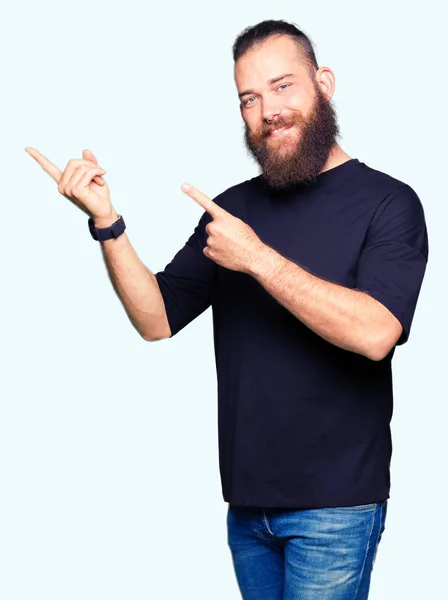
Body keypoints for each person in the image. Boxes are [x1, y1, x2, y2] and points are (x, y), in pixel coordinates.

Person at [25, 18, 429, 600]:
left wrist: (259, 259)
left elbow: (375, 333)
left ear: (324, 83)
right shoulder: (232, 209)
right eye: (249, 98)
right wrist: (106, 222)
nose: (269, 110)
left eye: (284, 85)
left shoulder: (389, 202)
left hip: (336, 508)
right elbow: (156, 319)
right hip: (247, 509)